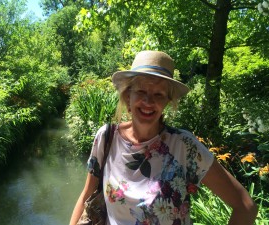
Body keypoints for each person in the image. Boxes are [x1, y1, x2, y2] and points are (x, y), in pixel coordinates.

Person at [69, 50, 258, 225]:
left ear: (168, 101)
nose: (148, 102)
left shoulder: (184, 146)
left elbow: (245, 206)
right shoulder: (106, 138)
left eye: (158, 94)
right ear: (128, 96)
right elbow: (85, 195)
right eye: (141, 91)